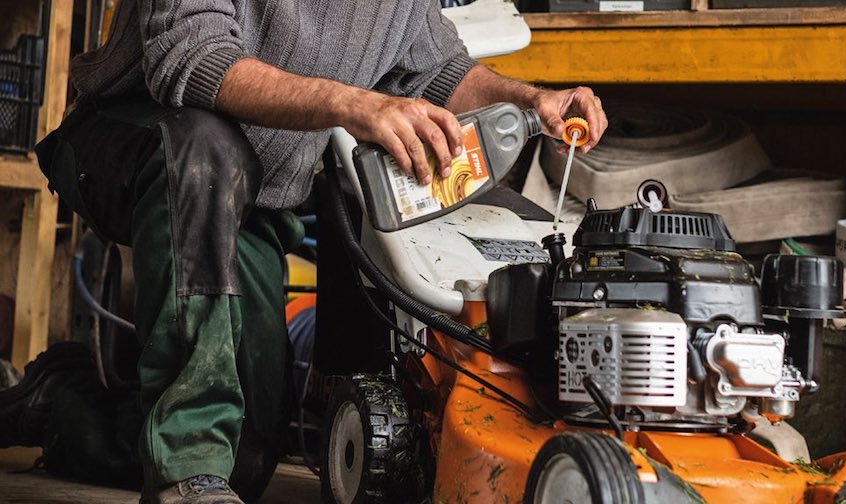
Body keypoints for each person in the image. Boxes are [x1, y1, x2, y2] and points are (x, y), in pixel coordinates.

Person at [0, 0, 607, 503]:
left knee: (244, 458)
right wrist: (355, 103)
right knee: (206, 147)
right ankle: (184, 472)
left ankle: (58, 405)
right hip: (130, 140)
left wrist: (530, 101)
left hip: (252, 201)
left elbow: (438, 70)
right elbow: (190, 60)